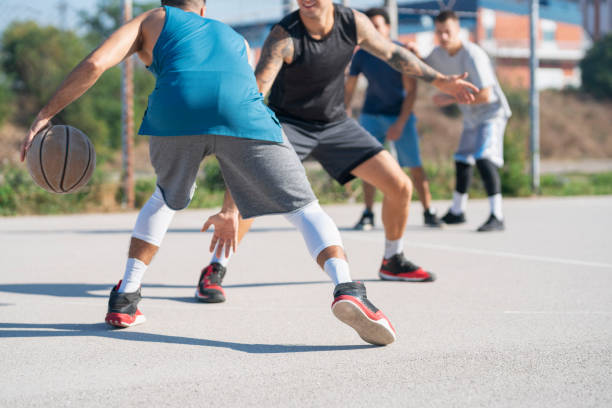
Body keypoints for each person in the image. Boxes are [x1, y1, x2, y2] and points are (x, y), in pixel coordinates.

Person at [20, 0, 398, 346]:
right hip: (243, 111)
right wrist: (231, 204)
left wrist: (45, 115)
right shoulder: (232, 36)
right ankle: (347, 288)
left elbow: (95, 64)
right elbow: (236, 96)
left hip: (176, 109)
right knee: (305, 209)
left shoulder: (153, 19)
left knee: (165, 198)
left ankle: (126, 297)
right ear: (202, 8)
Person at [195, 0, 479, 298]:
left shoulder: (352, 23)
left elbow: (393, 53)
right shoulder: (284, 37)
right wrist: (232, 194)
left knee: (400, 186)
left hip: (335, 124)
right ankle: (215, 269)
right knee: (250, 194)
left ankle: (393, 260)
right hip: (289, 125)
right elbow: (254, 99)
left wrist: (442, 80)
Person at [345, 7, 441, 230]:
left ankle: (428, 211)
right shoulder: (361, 54)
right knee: (367, 166)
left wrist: (399, 123)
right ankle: (368, 213)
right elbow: (349, 88)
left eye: (378, 26)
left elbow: (412, 91)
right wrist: (345, 112)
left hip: (401, 115)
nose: (374, 31)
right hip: (371, 115)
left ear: (387, 28)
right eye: (370, 26)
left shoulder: (399, 52)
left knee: (414, 166)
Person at [422, 10, 512, 231]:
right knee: (462, 158)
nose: (443, 37)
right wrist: (412, 53)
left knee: (484, 157)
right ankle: (457, 211)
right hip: (471, 116)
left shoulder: (473, 54)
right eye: (439, 32)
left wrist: (449, 97)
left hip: (491, 114)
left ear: (458, 30)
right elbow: (422, 66)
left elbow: (486, 95)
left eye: (448, 32)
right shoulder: (438, 53)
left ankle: (497, 216)